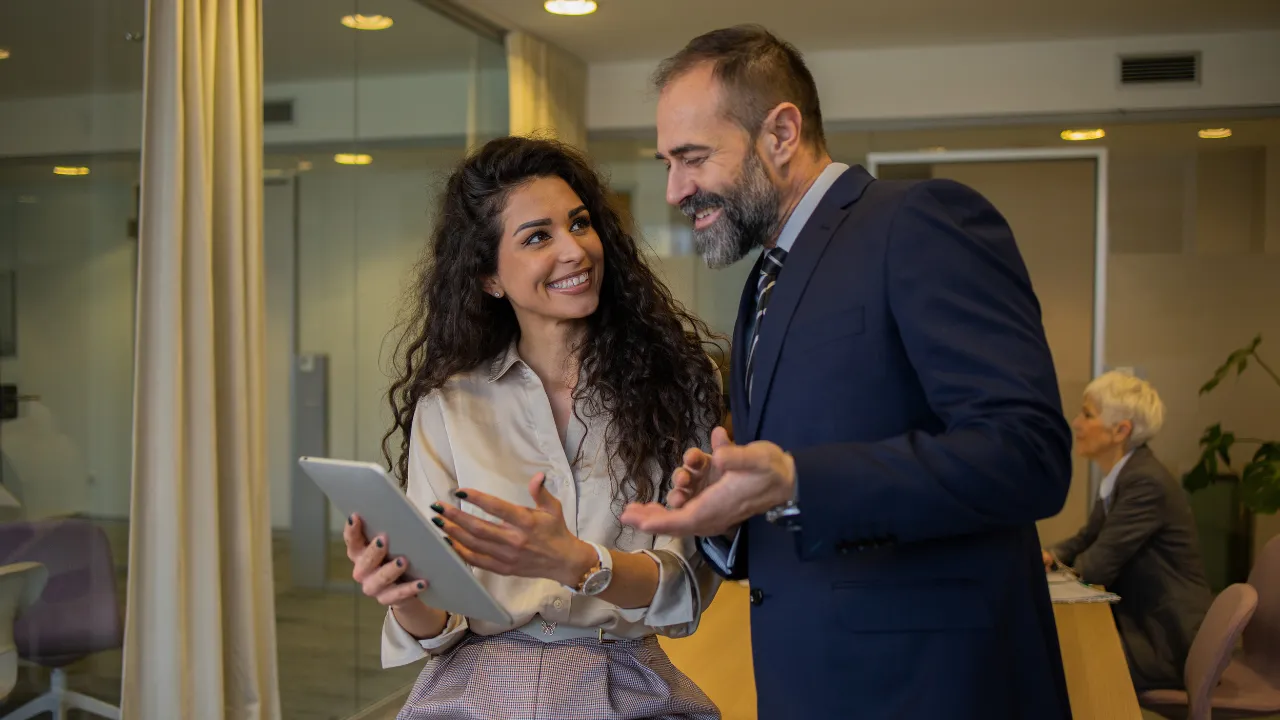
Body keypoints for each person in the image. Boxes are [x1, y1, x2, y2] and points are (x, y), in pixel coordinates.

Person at [621, 25, 1076, 719]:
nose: (675, 190)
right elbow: (799, 501)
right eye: (666, 163)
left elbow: (1029, 454)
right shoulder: (764, 282)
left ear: (780, 134)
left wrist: (800, 480)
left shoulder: (920, 221)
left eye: (692, 158)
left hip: (932, 690)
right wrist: (731, 510)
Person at [343, 136, 725, 720]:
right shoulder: (449, 406)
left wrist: (578, 562)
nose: (574, 250)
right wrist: (404, 596)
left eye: (579, 223)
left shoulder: (679, 391)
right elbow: (440, 626)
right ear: (490, 278)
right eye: (538, 237)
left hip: (623, 682)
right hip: (474, 685)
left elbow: (683, 593)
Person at [1045, 371, 1212, 692]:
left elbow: (1095, 567)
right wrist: (1050, 555)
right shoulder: (1126, 475)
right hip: (1142, 623)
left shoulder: (1144, 482)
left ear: (1120, 430)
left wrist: (1049, 574)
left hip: (1166, 641)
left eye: (1087, 415)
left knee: (1056, 659)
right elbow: (1087, 538)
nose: (1077, 424)